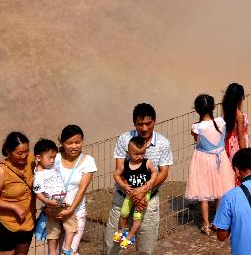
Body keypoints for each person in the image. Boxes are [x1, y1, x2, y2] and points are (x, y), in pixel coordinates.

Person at [104, 103, 173, 255]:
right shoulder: (124, 139)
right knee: (113, 247)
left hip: (148, 200)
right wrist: (134, 194)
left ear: (155, 121)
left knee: (146, 249)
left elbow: (163, 173)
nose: (144, 128)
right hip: (122, 198)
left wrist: (142, 191)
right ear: (134, 123)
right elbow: (119, 169)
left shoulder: (163, 143)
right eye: (140, 124)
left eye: (148, 123)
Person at [185, 94, 235, 235]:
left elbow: (197, 140)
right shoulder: (221, 122)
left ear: (196, 109)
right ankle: (218, 222)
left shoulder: (196, 127)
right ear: (213, 107)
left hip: (203, 159)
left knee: (203, 192)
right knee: (220, 190)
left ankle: (206, 224)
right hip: (220, 158)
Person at [0, 131, 34, 255]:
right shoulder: (1, 171)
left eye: (27, 151)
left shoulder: (31, 160)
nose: (24, 156)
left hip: (27, 223)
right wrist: (14, 206)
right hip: (6, 225)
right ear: (9, 151)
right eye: (19, 153)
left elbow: (49, 154)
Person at [54, 125, 96, 255]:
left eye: (77, 142)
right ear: (62, 143)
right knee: (55, 252)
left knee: (69, 251)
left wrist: (71, 209)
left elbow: (82, 189)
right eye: (69, 143)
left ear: (82, 141)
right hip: (55, 213)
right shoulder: (54, 158)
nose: (74, 146)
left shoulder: (88, 161)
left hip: (76, 212)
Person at [112, 137, 156, 250]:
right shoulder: (126, 165)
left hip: (144, 193)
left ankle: (130, 236)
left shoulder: (147, 163)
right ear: (128, 153)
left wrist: (150, 182)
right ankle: (122, 231)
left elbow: (154, 173)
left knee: (137, 216)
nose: (140, 156)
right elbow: (116, 175)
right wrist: (123, 185)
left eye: (142, 153)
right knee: (124, 212)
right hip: (130, 194)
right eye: (136, 154)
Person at [32, 138, 74, 255]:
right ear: (38, 158)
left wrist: (60, 147)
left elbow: (56, 151)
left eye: (54, 157)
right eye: (49, 158)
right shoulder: (39, 175)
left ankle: (67, 249)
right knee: (53, 230)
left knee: (71, 224)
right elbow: (38, 192)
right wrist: (47, 201)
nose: (52, 160)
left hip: (63, 202)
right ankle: (52, 253)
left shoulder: (51, 166)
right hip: (52, 205)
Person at [221, 83, 249, 168]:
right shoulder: (239, 115)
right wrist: (245, 155)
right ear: (240, 98)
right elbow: (240, 137)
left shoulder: (226, 110)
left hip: (227, 143)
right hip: (237, 146)